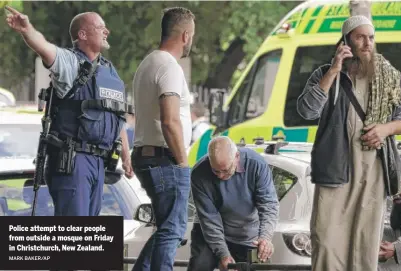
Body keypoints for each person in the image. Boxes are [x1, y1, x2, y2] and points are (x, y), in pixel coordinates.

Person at [297, 15, 401, 271]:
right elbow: (307, 110)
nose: (367, 43)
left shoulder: (390, 77)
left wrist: (385, 129)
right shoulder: (326, 73)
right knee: (326, 239)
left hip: (373, 171)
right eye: (360, 37)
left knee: (364, 243)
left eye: (371, 37)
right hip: (335, 170)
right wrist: (334, 70)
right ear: (347, 40)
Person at [5, 6, 134, 216]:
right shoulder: (71, 63)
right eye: (100, 27)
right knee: (74, 238)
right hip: (74, 161)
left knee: (88, 240)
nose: (106, 31)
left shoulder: (109, 71)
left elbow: (116, 117)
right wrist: (27, 30)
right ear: (82, 35)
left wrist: (126, 157)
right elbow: (45, 49)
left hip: (100, 163)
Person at [130, 7, 195, 271]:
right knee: (173, 229)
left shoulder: (148, 63)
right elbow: (170, 120)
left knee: (166, 228)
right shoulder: (169, 67)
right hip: (164, 160)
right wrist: (182, 162)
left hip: (147, 155)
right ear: (185, 35)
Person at [188, 136, 279, 271]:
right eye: (215, 171)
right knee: (200, 265)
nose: (220, 175)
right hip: (209, 232)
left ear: (237, 157)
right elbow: (209, 219)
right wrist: (223, 254)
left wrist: (265, 237)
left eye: (225, 170)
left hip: (247, 232)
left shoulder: (256, 164)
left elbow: (268, 205)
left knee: (261, 264)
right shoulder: (199, 173)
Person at [378, 155, 401, 271]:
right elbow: (397, 227)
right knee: (367, 234)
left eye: (398, 188)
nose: (393, 195)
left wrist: (396, 249)